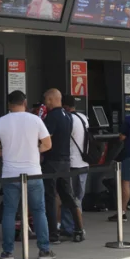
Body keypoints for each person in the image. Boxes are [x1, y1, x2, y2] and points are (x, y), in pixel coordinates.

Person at [0, 90, 53, 259]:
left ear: (9, 104)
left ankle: (8, 251)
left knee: (9, 212)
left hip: (10, 173)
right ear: (25, 102)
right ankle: (44, 249)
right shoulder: (35, 120)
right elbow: (47, 144)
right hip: (33, 172)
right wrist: (33, 150)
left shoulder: (1, 122)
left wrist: (8, 153)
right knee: (39, 210)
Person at [40, 89, 81, 244]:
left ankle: (53, 234)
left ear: (51, 99)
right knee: (68, 196)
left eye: (45, 99)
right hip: (65, 161)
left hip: (52, 162)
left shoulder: (52, 117)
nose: (44, 103)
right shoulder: (68, 116)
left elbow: (46, 140)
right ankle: (79, 228)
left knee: (50, 197)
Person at [60, 95, 88, 241]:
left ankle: (73, 228)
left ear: (64, 106)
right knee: (76, 198)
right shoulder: (83, 117)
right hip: (83, 163)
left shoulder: (68, 119)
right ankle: (73, 227)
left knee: (70, 198)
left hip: (72, 163)